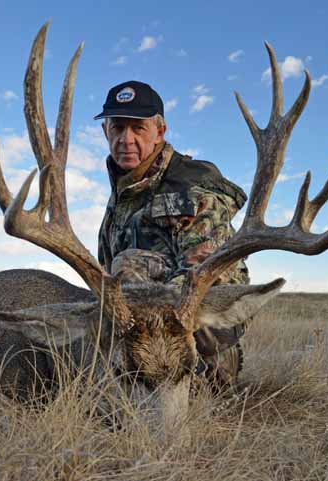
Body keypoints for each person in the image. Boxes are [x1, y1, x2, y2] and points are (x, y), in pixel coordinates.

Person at [94, 80, 249, 388]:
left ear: (160, 132)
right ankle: (128, 374)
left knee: (128, 266)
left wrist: (141, 310)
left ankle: (208, 367)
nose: (126, 139)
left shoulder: (191, 189)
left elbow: (209, 271)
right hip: (144, 331)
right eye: (117, 127)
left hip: (204, 321)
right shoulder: (122, 197)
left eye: (138, 128)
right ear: (105, 131)